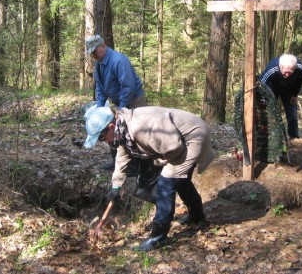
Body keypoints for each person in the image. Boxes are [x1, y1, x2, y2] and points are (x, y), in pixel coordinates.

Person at [83, 106, 214, 252]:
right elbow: (122, 157)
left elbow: (174, 148)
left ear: (111, 126)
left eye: (101, 138)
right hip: (178, 139)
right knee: (180, 180)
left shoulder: (140, 128)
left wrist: (159, 163)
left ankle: (158, 237)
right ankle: (197, 216)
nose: (102, 142)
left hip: (193, 136)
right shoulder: (122, 129)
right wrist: (116, 185)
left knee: (166, 182)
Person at [86, 34, 147, 170]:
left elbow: (128, 86)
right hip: (118, 101)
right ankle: (117, 162)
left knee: (135, 131)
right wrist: (99, 111)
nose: (95, 55)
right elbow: (100, 89)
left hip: (133, 100)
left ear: (103, 46)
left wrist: (122, 109)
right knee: (111, 129)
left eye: (96, 51)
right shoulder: (99, 65)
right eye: (92, 53)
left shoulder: (118, 61)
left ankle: (137, 166)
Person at [259, 53, 302, 139]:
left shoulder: (300, 68)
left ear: (294, 68)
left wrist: (295, 94)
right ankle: (268, 137)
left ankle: (294, 137)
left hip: (289, 90)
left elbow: (300, 80)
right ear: (280, 67)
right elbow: (261, 84)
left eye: (290, 72)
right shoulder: (272, 68)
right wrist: (262, 99)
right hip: (272, 88)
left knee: (292, 114)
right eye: (285, 72)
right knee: (269, 112)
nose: (287, 75)